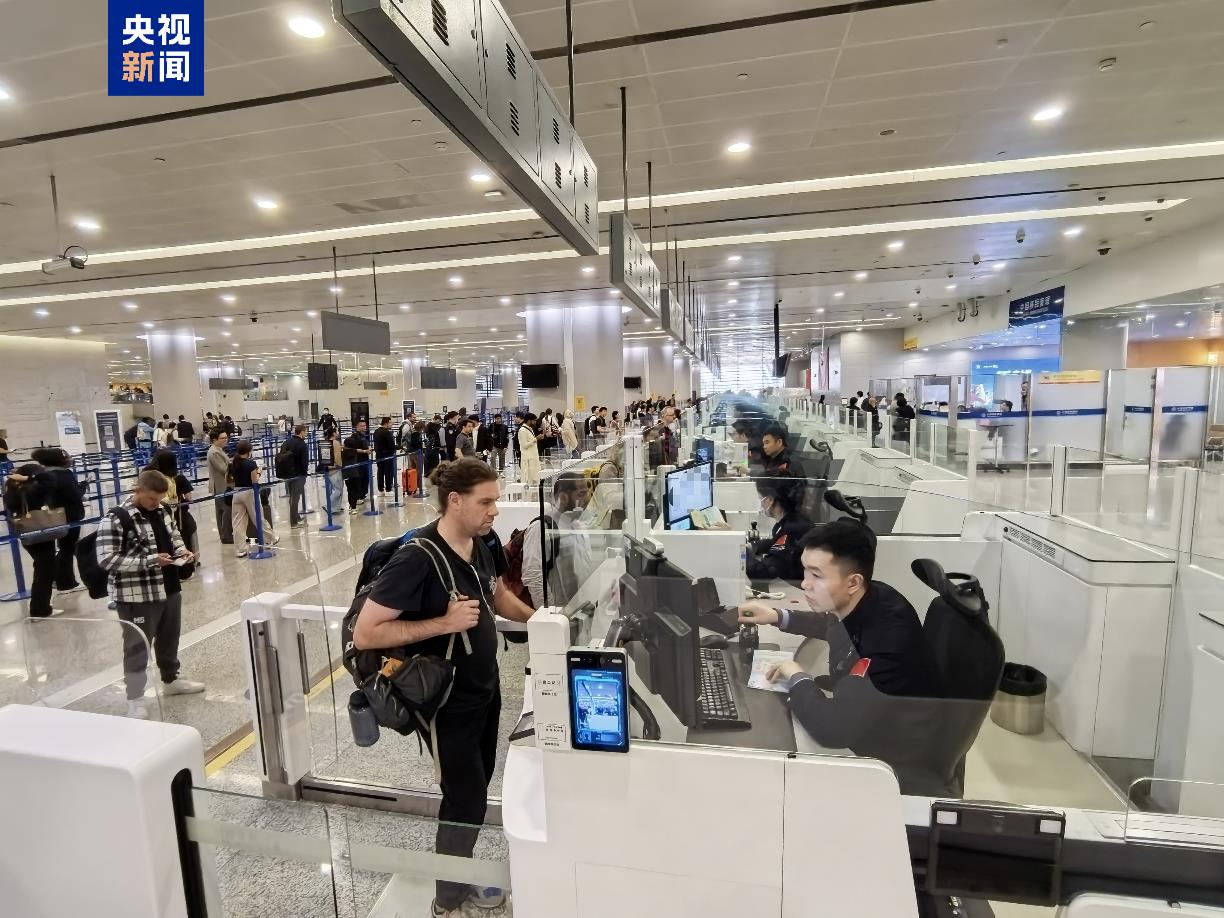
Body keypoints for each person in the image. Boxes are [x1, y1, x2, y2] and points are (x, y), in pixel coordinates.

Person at [352, 459, 534, 918]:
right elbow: (367, 633)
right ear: (455, 501)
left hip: (485, 691)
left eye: (496, 500)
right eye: (486, 501)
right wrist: (443, 623)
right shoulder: (418, 559)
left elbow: (496, 594)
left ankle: (458, 880)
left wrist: (540, 620)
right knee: (464, 800)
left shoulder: (482, 541)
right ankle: (447, 901)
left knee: (475, 790)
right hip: (448, 705)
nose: (495, 510)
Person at [737, 521, 945, 795]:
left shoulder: (886, 643)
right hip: (869, 719)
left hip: (886, 761)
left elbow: (832, 731)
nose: (805, 584)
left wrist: (795, 673)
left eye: (817, 575)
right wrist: (777, 616)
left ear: (853, 582)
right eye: (805, 571)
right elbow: (832, 623)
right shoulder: (872, 595)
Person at [95, 470, 205, 719]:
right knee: (137, 646)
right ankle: (135, 697)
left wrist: (182, 550)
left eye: (159, 499)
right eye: (151, 499)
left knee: (169, 638)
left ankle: (171, 679)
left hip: (169, 586)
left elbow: (174, 534)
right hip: (137, 595)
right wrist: (149, 561)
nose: (156, 503)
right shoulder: (116, 518)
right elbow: (106, 559)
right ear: (138, 490)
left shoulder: (163, 509)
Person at [3, 448, 86, 617]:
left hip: (27, 533)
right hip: (40, 531)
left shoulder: (14, 492)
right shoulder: (36, 490)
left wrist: (25, 478)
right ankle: (40, 609)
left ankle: (39, 606)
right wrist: (32, 477)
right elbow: (47, 480)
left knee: (43, 567)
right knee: (44, 569)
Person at [521, 471, 589, 608]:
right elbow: (533, 575)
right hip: (557, 611)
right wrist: (549, 613)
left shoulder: (576, 524)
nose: (586, 500)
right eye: (581, 494)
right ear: (563, 497)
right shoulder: (541, 528)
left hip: (575, 608)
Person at [746, 474, 814, 584]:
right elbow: (775, 542)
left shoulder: (792, 530)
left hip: (795, 588)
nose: (761, 503)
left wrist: (742, 553)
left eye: (760, 498)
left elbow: (763, 574)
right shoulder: (792, 520)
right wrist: (751, 546)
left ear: (770, 500)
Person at [145, 448, 199, 562]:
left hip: (156, 518)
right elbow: (189, 498)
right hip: (175, 515)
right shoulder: (173, 478)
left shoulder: (149, 476)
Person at [229, 440, 279, 556]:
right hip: (249, 492)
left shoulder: (233, 463)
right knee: (258, 517)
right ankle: (270, 538)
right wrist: (259, 472)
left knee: (238, 522)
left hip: (237, 492)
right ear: (248, 451)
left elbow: (229, 479)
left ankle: (240, 549)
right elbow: (254, 481)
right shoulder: (251, 464)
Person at [206, 429, 234, 545]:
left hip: (223, 485)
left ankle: (225, 534)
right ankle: (226, 536)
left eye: (226, 437)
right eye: (223, 438)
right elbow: (224, 469)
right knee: (226, 510)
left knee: (223, 511)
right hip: (221, 486)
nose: (226, 440)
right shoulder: (214, 452)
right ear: (214, 440)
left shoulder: (219, 450)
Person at [283, 424, 311, 527]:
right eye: (306, 431)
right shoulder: (302, 444)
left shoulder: (287, 442)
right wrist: (304, 473)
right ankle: (294, 522)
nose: (306, 433)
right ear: (302, 432)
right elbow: (304, 462)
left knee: (292, 497)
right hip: (298, 474)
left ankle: (296, 516)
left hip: (288, 474)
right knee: (295, 498)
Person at [343, 420, 372, 515]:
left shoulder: (364, 436)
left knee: (365, 479)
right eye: (361, 426)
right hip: (357, 462)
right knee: (357, 482)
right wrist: (364, 451)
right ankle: (357, 498)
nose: (364, 427)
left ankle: (362, 495)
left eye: (365, 425)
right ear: (357, 427)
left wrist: (367, 449)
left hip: (364, 461)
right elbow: (353, 450)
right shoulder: (353, 437)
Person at [319, 427, 346, 518]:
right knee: (338, 489)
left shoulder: (325, 442)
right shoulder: (336, 442)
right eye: (336, 431)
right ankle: (329, 505)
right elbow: (337, 457)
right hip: (335, 468)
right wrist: (339, 465)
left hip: (327, 468)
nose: (338, 433)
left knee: (335, 488)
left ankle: (336, 507)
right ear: (334, 433)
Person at [373, 417, 397, 495]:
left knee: (380, 472)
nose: (392, 424)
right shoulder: (387, 432)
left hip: (379, 455)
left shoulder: (376, 431)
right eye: (391, 423)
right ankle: (388, 489)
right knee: (388, 472)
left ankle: (381, 490)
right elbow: (391, 445)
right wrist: (400, 447)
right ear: (386, 423)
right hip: (387, 455)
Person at [517, 412, 542, 488]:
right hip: (528, 459)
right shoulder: (522, 430)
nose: (535, 422)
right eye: (534, 420)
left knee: (534, 477)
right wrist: (536, 439)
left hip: (533, 458)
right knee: (528, 479)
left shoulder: (530, 429)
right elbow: (524, 445)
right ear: (529, 420)